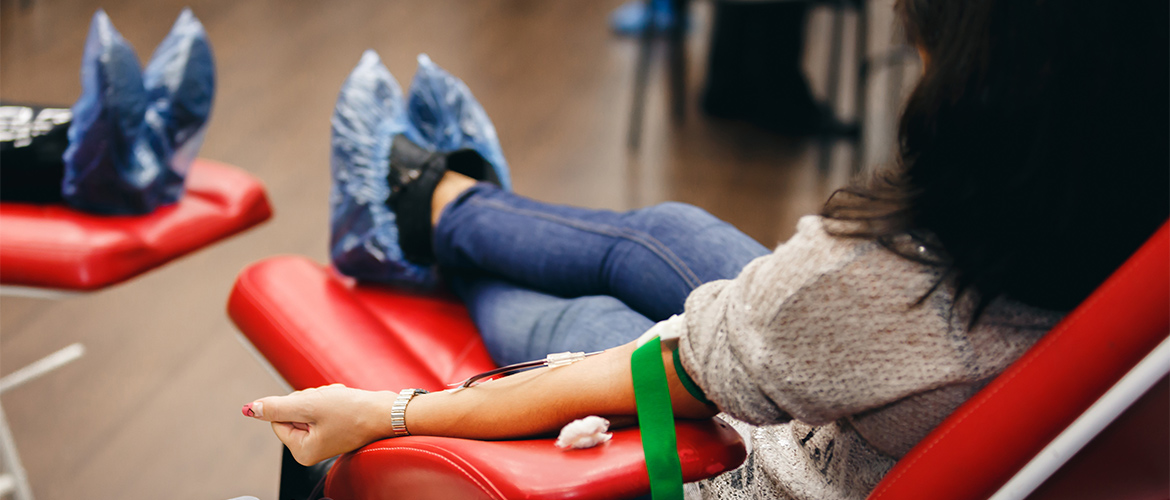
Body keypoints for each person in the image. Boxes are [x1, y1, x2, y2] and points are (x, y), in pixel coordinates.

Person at [243, 0, 1168, 498]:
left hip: (771, 464)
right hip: (862, 389)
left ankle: (431, 213)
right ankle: (446, 206)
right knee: (677, 234)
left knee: (596, 324)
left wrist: (386, 413)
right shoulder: (1132, 256)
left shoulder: (880, 287)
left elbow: (616, 377)